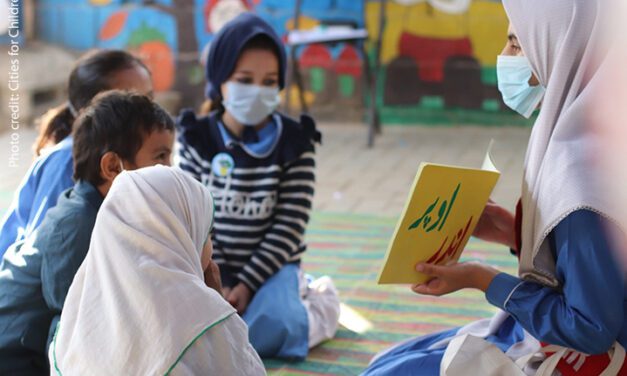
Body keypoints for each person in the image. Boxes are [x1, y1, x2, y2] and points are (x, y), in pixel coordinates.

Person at [363, 0, 627, 375]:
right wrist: (510, 230)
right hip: (570, 334)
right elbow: (601, 268)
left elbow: (589, 328)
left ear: (562, 48)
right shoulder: (588, 133)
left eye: (518, 45)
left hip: (593, 358)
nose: (503, 56)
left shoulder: (585, 180)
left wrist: (481, 278)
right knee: (393, 361)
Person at [176, 13, 340, 359]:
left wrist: (247, 284)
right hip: (208, 265)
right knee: (184, 327)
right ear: (219, 80)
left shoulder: (296, 142)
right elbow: (190, 219)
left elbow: (290, 226)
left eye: (269, 82)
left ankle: (318, 301)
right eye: (244, 79)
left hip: (270, 267)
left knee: (274, 326)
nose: (258, 91)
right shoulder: (196, 138)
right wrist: (213, 278)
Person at [0, 91, 174, 375]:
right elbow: (69, 329)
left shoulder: (109, 213)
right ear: (112, 167)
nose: (169, 169)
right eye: (160, 156)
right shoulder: (77, 225)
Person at [50, 166, 265, 375]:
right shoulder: (203, 326)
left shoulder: (77, 319)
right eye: (208, 232)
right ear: (178, 233)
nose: (210, 245)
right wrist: (216, 308)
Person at [0, 49, 153, 258]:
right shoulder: (66, 162)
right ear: (90, 112)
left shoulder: (127, 156)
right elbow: (44, 255)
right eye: (131, 103)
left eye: (150, 99)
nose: (150, 113)